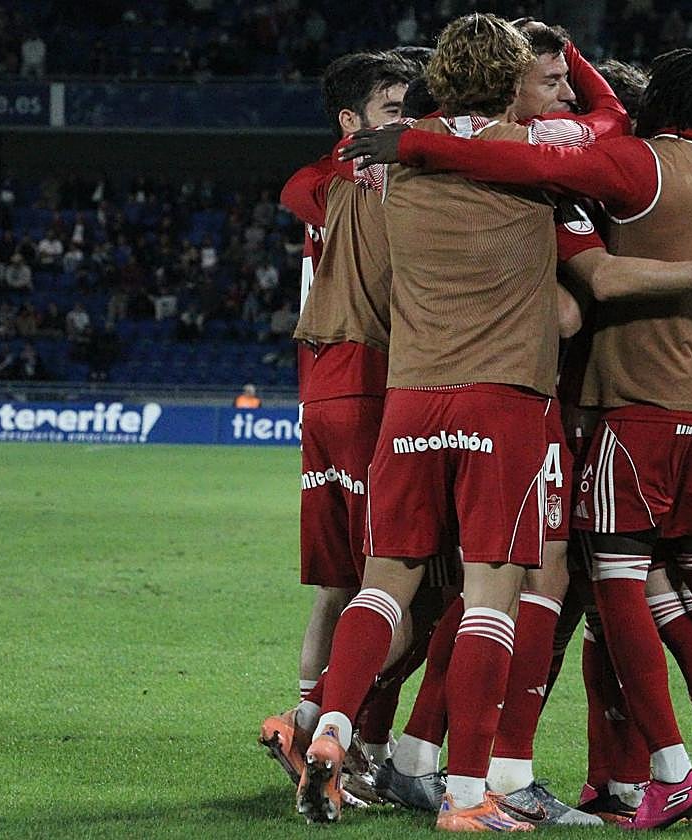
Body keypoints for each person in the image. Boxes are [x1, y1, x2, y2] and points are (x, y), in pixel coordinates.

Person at [345, 45, 692, 829]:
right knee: (665, 590)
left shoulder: (606, 177)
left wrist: (411, 143)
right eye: (554, 81)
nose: (568, 99)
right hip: (691, 415)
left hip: (598, 411)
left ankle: (502, 765)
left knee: (526, 593)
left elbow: (587, 285)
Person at [295, 17, 608, 830]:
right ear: (511, 80)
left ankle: (332, 731)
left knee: (386, 581)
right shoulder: (539, 159)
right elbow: (608, 128)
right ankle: (468, 796)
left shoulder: (386, 164)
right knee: (490, 597)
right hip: (499, 398)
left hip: (410, 396)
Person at [259, 48, 418, 809]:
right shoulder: (371, 185)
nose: (409, 127)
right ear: (353, 122)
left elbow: (296, 188)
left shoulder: (320, 182)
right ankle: (332, 731)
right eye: (395, 112)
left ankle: (304, 716)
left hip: (322, 393)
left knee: (339, 581)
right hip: (367, 388)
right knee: (403, 584)